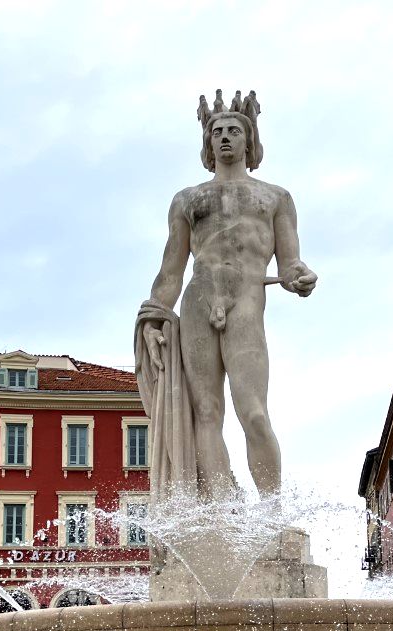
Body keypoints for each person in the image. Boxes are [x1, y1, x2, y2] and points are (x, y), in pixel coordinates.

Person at [136, 90, 317, 503]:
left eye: (234, 131)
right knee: (207, 412)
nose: (225, 138)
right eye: (217, 132)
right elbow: (171, 271)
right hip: (198, 301)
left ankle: (272, 513)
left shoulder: (275, 197)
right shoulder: (187, 200)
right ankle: (220, 510)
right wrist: (154, 318)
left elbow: (290, 263)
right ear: (208, 143)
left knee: (253, 412)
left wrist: (299, 277)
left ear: (249, 141)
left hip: (246, 301)